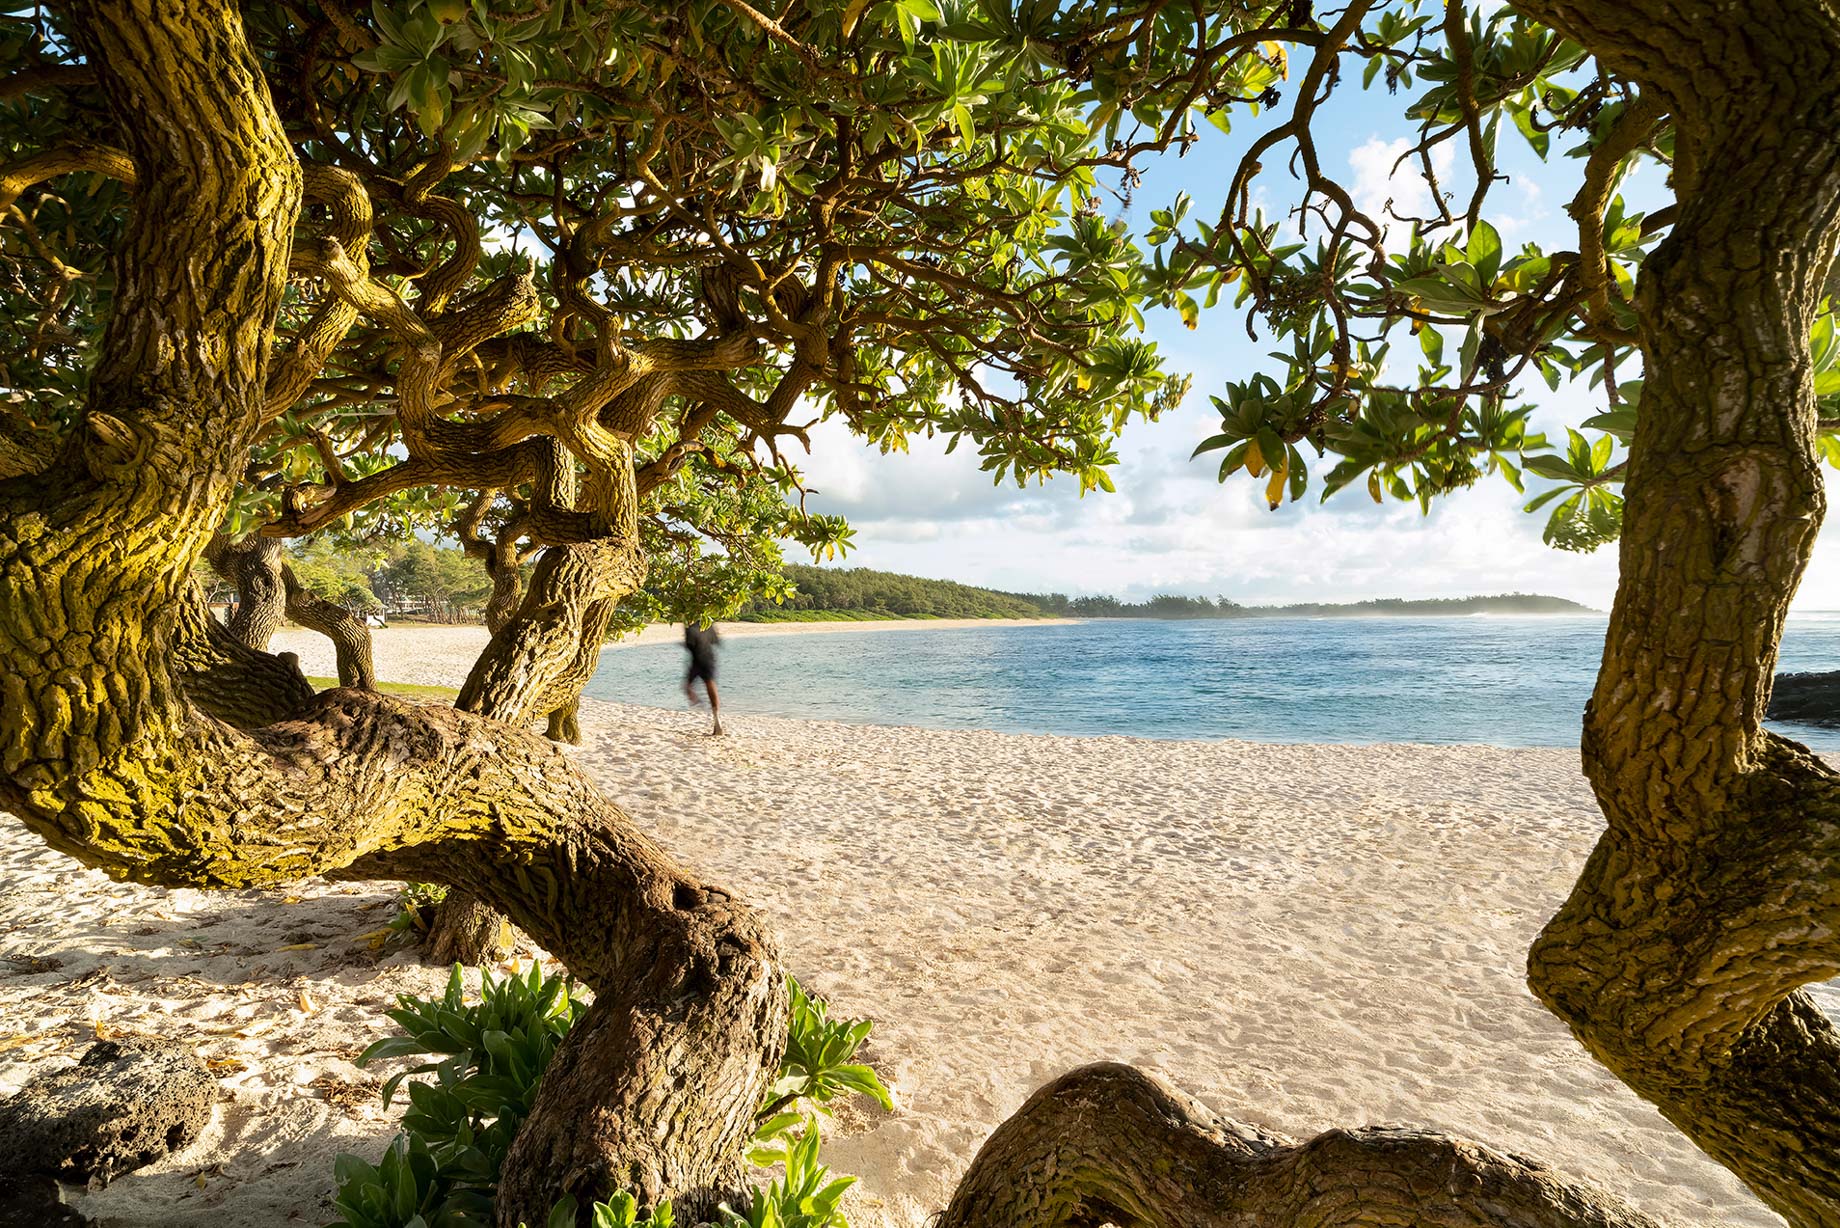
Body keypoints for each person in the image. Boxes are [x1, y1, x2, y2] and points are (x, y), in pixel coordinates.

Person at [682, 620, 723, 735]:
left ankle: (700, 705)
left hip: (697, 661)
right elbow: (716, 641)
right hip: (709, 659)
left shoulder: (688, 625)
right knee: (710, 685)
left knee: (687, 687)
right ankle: (716, 718)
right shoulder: (708, 622)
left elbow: (689, 644)